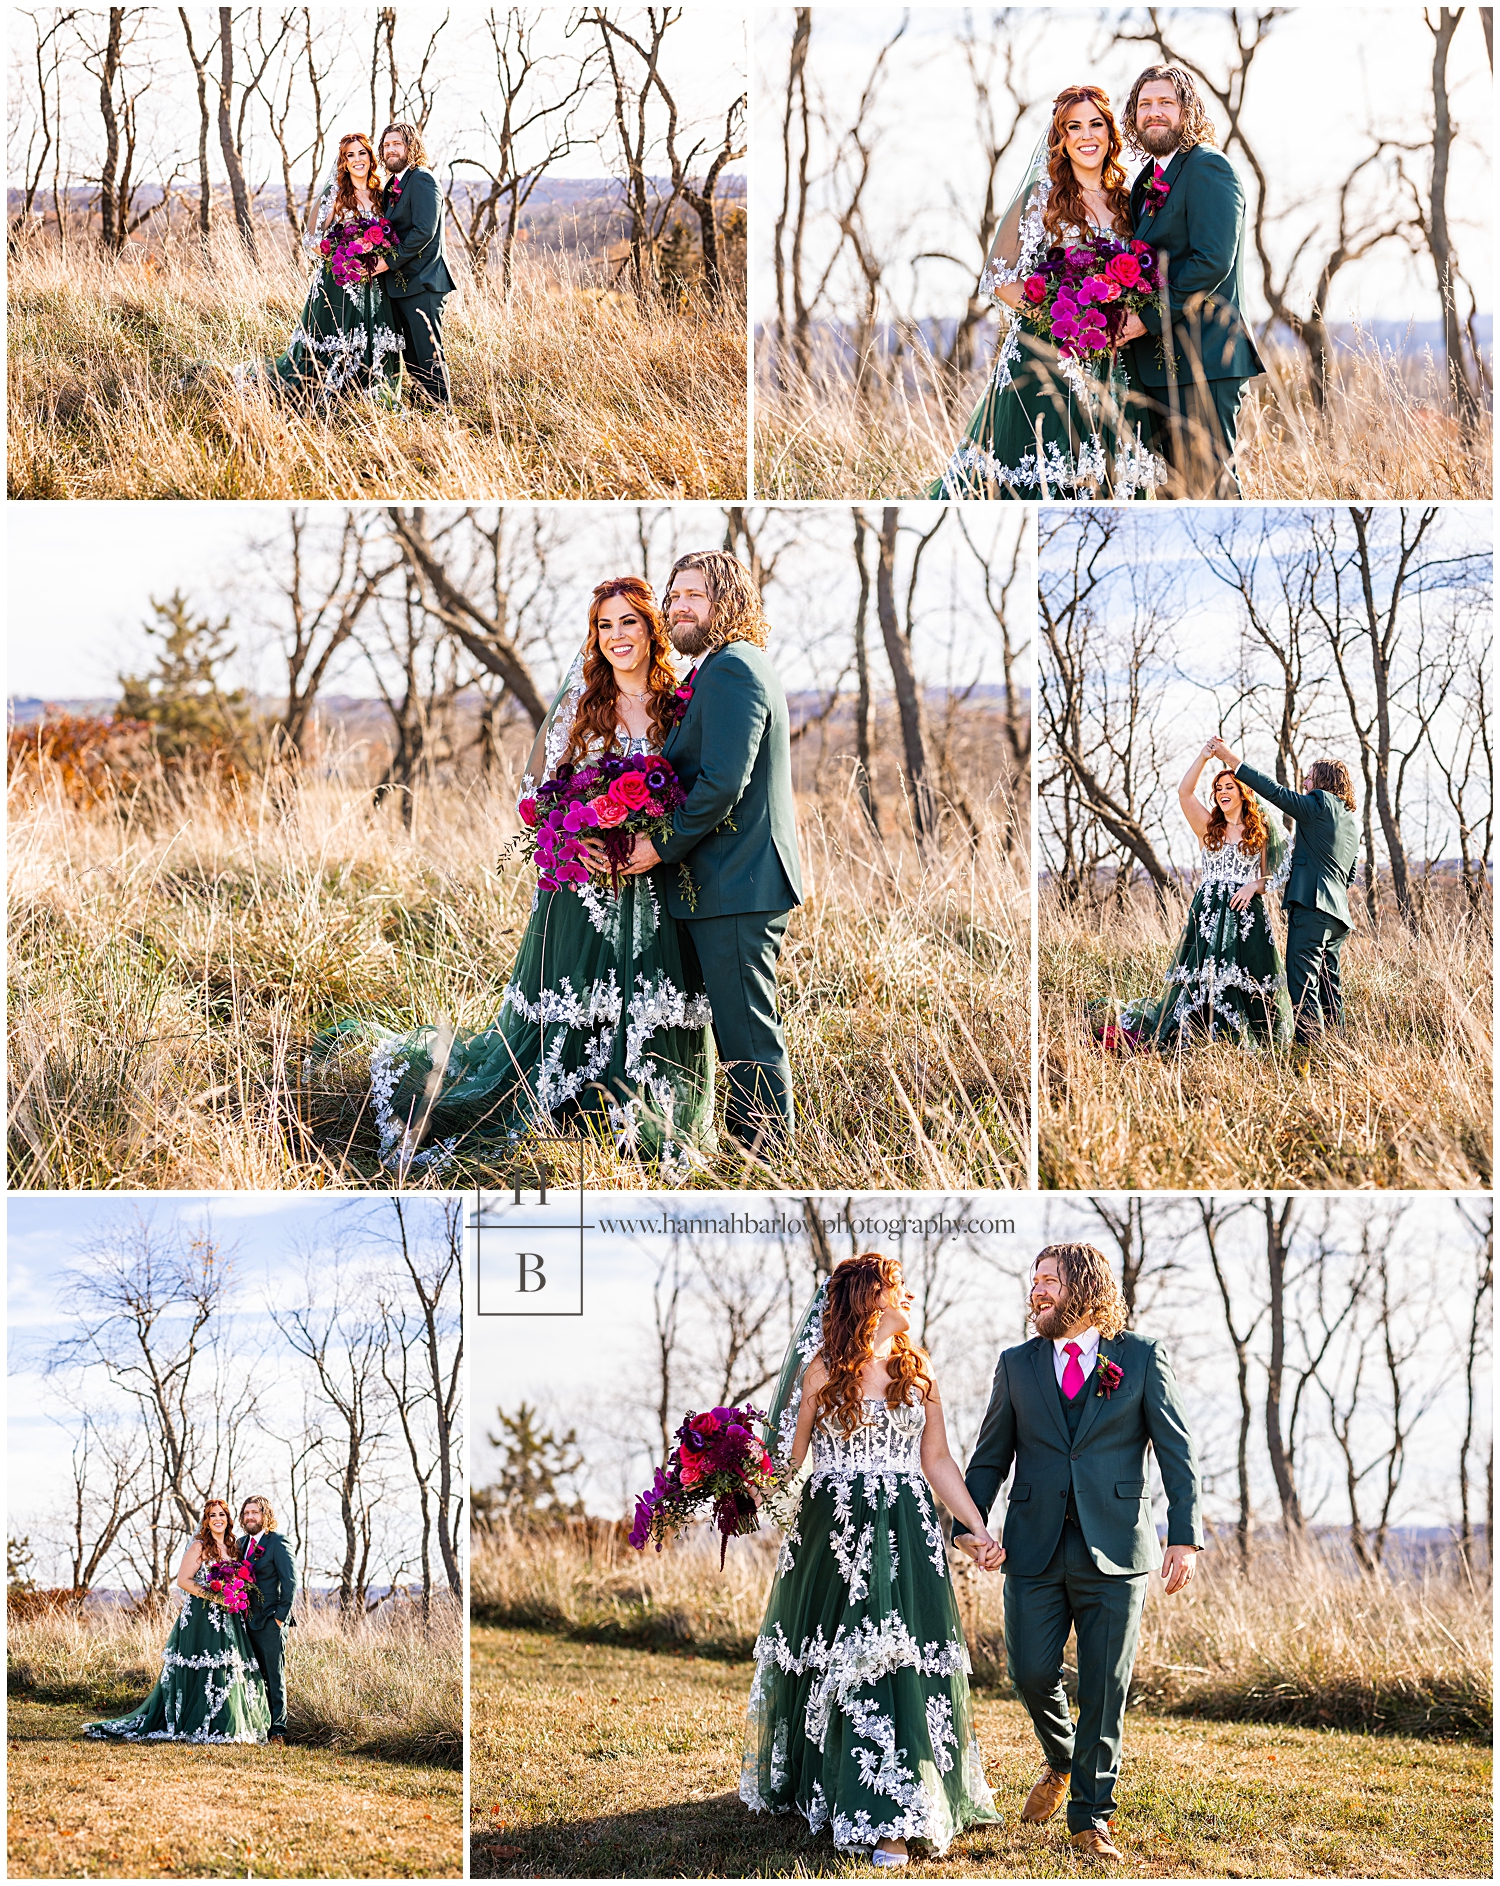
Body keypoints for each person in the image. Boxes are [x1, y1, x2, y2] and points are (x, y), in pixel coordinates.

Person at [350, 575, 715, 1174]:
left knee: (646, 1003)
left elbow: (696, 789)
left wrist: (649, 834)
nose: (618, 636)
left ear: (653, 628)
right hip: (581, 884)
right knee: (574, 1005)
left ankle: (644, 1117)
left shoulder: (681, 706)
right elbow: (538, 794)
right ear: (594, 638)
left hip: (653, 880)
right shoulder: (581, 704)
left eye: (630, 622)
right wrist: (579, 834)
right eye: (605, 625)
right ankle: (567, 1113)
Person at [742, 1254, 1002, 1868]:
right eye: (898, 1286)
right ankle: (845, 1793)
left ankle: (896, 1812)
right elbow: (786, 1463)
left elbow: (936, 1461)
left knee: (900, 1657)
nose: (908, 1295)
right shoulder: (821, 1372)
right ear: (869, 1298)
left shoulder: (919, 1371)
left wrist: (976, 1525)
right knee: (842, 1658)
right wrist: (742, 1465)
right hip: (833, 1533)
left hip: (906, 1532)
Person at [955, 1244, 1202, 1861]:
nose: (1035, 1291)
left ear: (1084, 1289)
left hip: (1117, 1549)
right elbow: (989, 1458)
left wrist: (1183, 1536)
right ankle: (1063, 1758)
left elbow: (1177, 1454)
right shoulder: (1017, 1365)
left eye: (1048, 1282)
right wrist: (966, 1526)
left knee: (1104, 1684)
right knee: (1030, 1671)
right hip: (1032, 1547)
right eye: (1033, 1280)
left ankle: (1090, 1818)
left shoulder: (1140, 1358)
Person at [618, 551, 804, 1156]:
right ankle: (746, 1144)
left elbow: (724, 781)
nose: (678, 607)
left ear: (728, 601)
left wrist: (660, 844)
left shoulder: (734, 669)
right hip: (723, 883)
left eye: (693, 596)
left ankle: (768, 1156)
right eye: (673, 597)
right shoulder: (715, 668)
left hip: (736, 882)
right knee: (731, 1027)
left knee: (747, 1030)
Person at [930, 86, 1165, 500]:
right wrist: (1057, 320)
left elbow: (1147, 273)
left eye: (1096, 125)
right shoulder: (1042, 200)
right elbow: (999, 276)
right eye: (1074, 127)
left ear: (1110, 134)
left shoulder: (1129, 203)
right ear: (1060, 137)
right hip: (1045, 356)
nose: (1086, 135)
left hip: (1114, 359)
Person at [1116, 67, 1264, 498]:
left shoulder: (1208, 167)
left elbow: (1211, 260)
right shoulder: (1145, 182)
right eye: (1145, 104)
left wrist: (1146, 318)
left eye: (1165, 103)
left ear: (1187, 110)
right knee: (1171, 495)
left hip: (1205, 359)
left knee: (1212, 489)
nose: (1154, 112)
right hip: (1156, 369)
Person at [1108, 743, 1294, 1049]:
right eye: (1218, 787)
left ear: (1242, 792)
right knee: (1201, 978)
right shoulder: (1209, 826)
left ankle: (1241, 1040)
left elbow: (1270, 876)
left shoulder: (1258, 831)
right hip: (1208, 912)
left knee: (1245, 979)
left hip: (1246, 915)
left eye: (1229, 787)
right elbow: (1184, 792)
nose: (1222, 792)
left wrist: (1251, 886)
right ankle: (1198, 1034)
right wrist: (1205, 757)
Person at [1209, 737, 1360, 1045]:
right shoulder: (1349, 822)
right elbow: (1351, 874)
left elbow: (1276, 793)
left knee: (1301, 984)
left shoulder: (1319, 803)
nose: (1304, 782)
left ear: (1322, 782)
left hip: (1313, 909)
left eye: (1308, 776)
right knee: (1330, 986)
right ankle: (1339, 1050)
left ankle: (1310, 1054)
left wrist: (1232, 760)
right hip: (1338, 917)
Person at [85, 1498, 270, 1745]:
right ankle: (193, 1721)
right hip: (202, 1617)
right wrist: (215, 1596)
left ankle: (223, 1722)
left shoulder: (233, 1547)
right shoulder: (199, 1547)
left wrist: (234, 1595)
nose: (217, 1519)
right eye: (212, 1515)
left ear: (228, 1519)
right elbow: (183, 1581)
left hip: (229, 1617)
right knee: (202, 1664)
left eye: (221, 1515)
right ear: (206, 1520)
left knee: (226, 1666)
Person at [260, 131, 402, 405]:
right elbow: (311, 238)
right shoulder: (336, 192)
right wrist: (344, 255)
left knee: (372, 340)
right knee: (337, 340)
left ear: (371, 157)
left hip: (375, 280)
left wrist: (376, 252)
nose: (357, 159)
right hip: (339, 281)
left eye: (362, 153)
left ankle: (367, 399)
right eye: (351, 155)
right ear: (344, 162)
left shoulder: (381, 193)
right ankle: (326, 396)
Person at [370, 121, 456, 406]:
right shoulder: (393, 185)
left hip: (423, 283)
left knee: (429, 356)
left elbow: (423, 231)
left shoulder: (422, 179)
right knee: (413, 359)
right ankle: (424, 414)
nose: (390, 149)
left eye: (397, 143)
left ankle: (442, 416)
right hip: (400, 287)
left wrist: (387, 262)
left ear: (411, 147)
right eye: (386, 145)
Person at [238, 1495, 298, 1746]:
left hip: (271, 1623)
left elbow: (290, 1583)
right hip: (243, 1622)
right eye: (246, 1513)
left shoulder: (278, 1542)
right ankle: (255, 1724)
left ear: (265, 1515)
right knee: (250, 1675)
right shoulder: (240, 1544)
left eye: (255, 1512)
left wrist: (279, 1620)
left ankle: (278, 1731)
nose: (250, 1517)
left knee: (274, 1676)